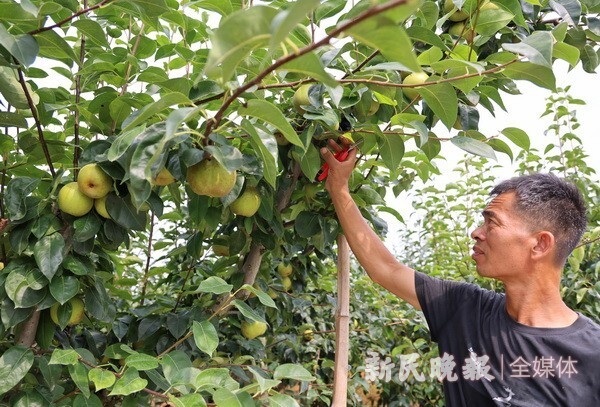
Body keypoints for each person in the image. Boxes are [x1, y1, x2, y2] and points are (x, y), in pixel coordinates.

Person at [320, 137, 600, 406]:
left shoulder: (593, 353)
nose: (476, 233)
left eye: (492, 224)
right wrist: (338, 187)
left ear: (540, 243)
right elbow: (385, 268)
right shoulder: (464, 309)